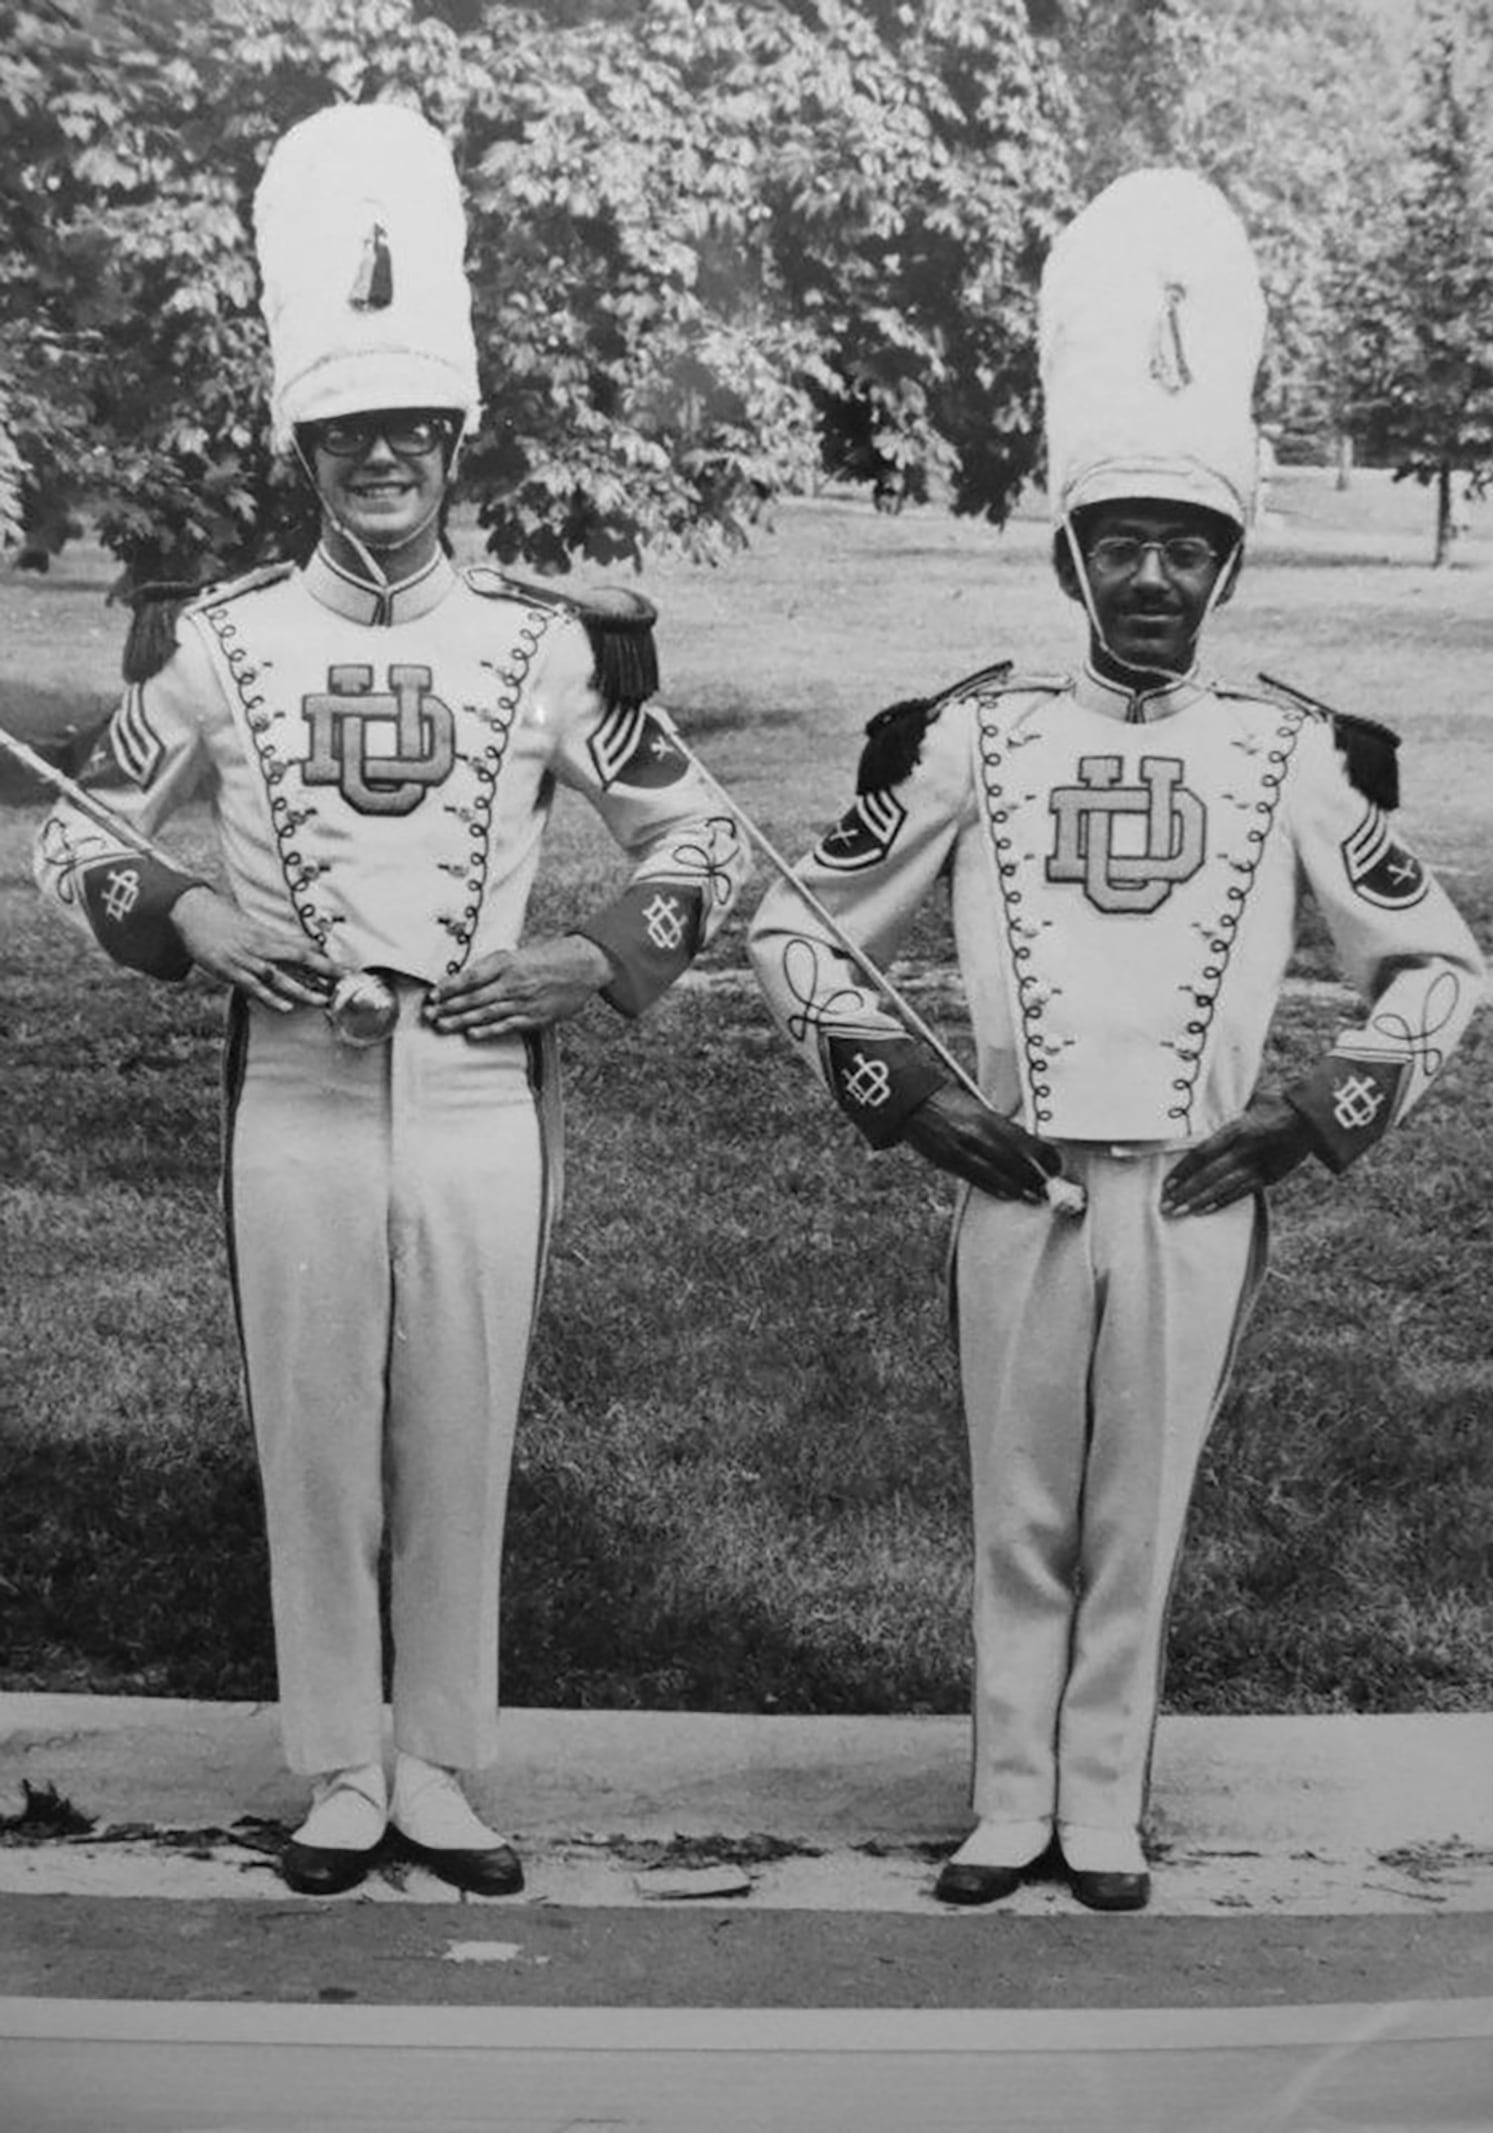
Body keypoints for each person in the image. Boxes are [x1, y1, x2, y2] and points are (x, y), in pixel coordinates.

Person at [747, 169, 1482, 1913]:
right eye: (1123, 544)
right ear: (1068, 551)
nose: (1155, 578)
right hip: (1012, 1175)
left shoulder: (1299, 752)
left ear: (1229, 561)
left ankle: (1104, 1806)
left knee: (1139, 1514)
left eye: (1191, 547)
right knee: (1017, 1504)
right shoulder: (969, 737)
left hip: (1201, 1191)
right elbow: (792, 916)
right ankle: (1008, 1799)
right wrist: (903, 1088)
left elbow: (1437, 965)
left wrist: (1316, 1115)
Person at [34, 103, 747, 1899]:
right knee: (315, 1429)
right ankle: (338, 1762)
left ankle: (443, 1759)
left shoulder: (546, 643)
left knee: (461, 1421)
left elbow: (703, 847)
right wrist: (190, 915)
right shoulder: (224, 641)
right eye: (346, 428)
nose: (379, 457)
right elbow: (77, 844)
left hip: (475, 1095)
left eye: (407, 428)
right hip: (296, 1091)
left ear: (451, 436)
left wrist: (588, 957)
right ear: (307, 438)